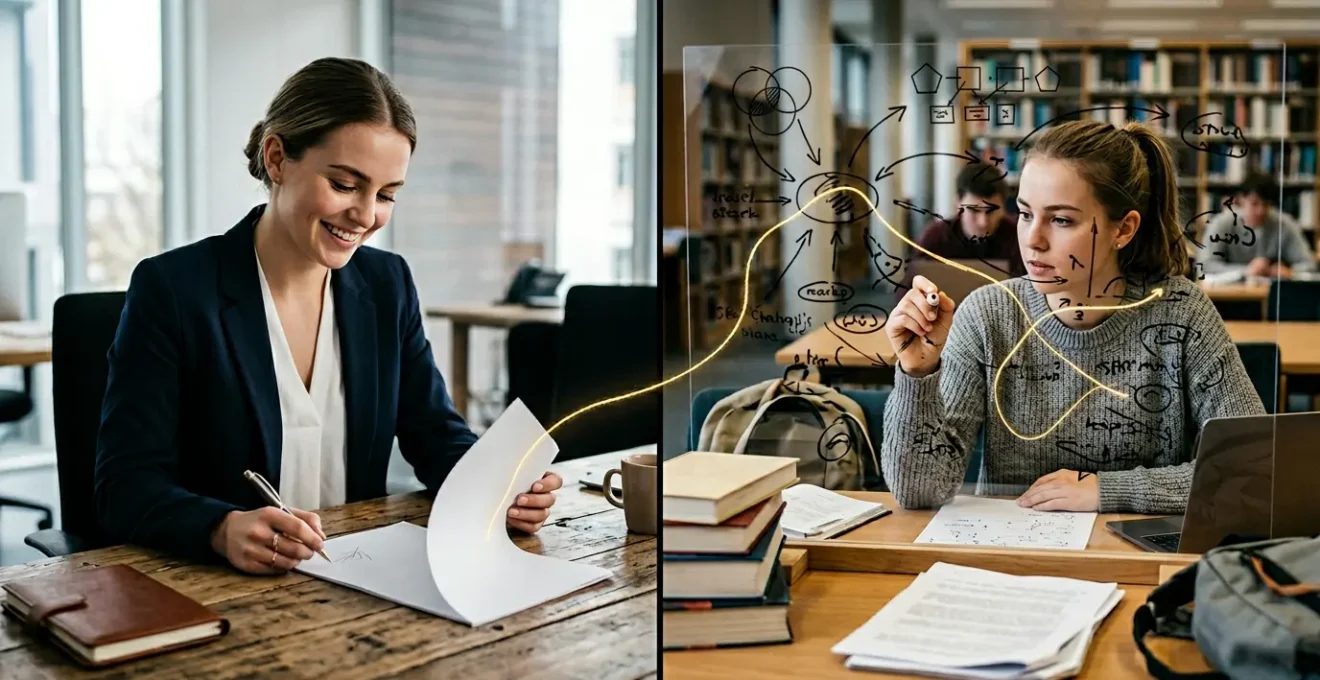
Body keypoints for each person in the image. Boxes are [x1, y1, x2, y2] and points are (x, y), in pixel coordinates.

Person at [94, 58, 562, 575]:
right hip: (218, 587)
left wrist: (498, 487)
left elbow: (435, 434)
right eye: (344, 185)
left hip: (357, 579)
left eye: (386, 195)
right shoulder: (175, 290)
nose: (365, 216)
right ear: (277, 158)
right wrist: (219, 527)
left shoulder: (387, 285)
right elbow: (125, 485)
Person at [881, 120, 1265, 515]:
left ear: (1124, 229)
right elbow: (918, 491)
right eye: (1026, 214)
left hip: (1138, 564)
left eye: (1061, 220)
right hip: (1018, 560)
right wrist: (917, 375)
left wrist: (1107, 490)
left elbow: (1252, 466)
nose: (1033, 240)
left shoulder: (1183, 311)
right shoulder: (986, 315)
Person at [908, 162, 1027, 279]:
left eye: (991, 212)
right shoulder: (935, 238)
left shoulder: (1018, 236)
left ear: (1004, 206)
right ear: (958, 202)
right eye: (974, 211)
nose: (983, 222)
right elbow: (909, 289)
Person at [1196, 171, 1316, 279]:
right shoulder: (1221, 223)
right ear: (1241, 199)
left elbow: (1309, 265)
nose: (1261, 211)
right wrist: (1246, 271)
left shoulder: (1285, 224)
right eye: (1254, 204)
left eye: (1266, 205)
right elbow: (1204, 265)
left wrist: (1289, 271)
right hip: (1230, 297)